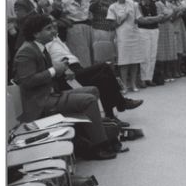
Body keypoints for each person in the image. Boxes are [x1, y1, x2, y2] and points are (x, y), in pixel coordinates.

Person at [13, 14, 119, 160]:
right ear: (36, 33)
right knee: (88, 100)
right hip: (40, 103)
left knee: (93, 90)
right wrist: (54, 70)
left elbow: (47, 74)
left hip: (50, 94)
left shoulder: (39, 48)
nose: (53, 31)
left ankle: (93, 134)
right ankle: (99, 146)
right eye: (48, 29)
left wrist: (62, 71)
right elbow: (28, 81)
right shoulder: (26, 51)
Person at [45, 22, 143, 126]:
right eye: (49, 28)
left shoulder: (56, 39)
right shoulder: (45, 43)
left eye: (55, 27)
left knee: (103, 78)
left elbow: (63, 56)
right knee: (104, 67)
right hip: (67, 75)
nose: (54, 30)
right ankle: (122, 103)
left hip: (76, 68)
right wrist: (65, 68)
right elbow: (46, 61)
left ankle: (111, 117)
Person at [106, 0, 144, 93]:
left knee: (134, 60)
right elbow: (112, 25)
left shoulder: (134, 4)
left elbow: (139, 19)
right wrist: (122, 18)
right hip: (122, 37)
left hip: (134, 35)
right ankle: (124, 86)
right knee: (124, 62)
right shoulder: (112, 7)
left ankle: (133, 84)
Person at [61, 0, 94, 68]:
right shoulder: (65, 2)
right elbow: (61, 16)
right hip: (74, 28)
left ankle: (91, 70)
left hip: (88, 27)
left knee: (90, 50)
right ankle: (83, 71)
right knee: (80, 51)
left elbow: (91, 11)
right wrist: (67, 22)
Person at [137, 0, 162, 85]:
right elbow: (142, 19)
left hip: (154, 30)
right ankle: (143, 78)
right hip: (143, 31)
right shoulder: (138, 6)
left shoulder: (153, 4)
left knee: (152, 55)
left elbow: (160, 17)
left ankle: (149, 78)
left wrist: (151, 19)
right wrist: (154, 18)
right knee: (145, 55)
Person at [154, 0, 179, 83]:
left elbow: (175, 15)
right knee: (162, 51)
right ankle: (162, 73)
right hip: (162, 27)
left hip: (170, 27)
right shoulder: (157, 4)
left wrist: (175, 13)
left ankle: (169, 72)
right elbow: (161, 19)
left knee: (170, 49)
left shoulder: (169, 4)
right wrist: (172, 14)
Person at [89, 0, 116, 64]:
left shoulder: (112, 0)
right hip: (100, 30)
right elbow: (90, 13)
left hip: (112, 31)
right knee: (100, 57)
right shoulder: (94, 1)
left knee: (111, 56)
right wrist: (97, 0)